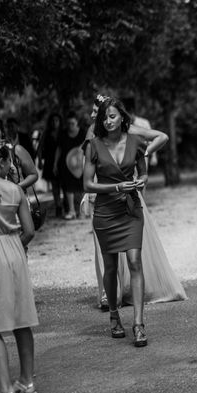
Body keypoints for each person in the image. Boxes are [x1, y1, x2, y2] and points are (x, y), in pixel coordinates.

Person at [85, 94, 186, 311]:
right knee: (106, 254)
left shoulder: (131, 134)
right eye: (98, 114)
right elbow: (89, 167)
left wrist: (142, 154)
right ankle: (110, 296)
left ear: (121, 116)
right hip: (101, 195)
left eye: (98, 111)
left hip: (127, 197)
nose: (95, 116)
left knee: (133, 256)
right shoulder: (94, 135)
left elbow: (162, 137)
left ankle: (133, 312)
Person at [83, 97, 149, 347]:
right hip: (106, 213)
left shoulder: (136, 142)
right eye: (104, 117)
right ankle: (113, 315)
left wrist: (141, 180)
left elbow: (142, 171)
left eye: (112, 116)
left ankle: (139, 324)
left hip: (131, 209)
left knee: (134, 261)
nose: (108, 121)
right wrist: (116, 186)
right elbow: (88, 184)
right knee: (110, 267)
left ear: (122, 117)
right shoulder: (93, 145)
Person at [0, 141, 38, 393]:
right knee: (21, 318)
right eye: (8, 161)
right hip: (15, 249)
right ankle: (26, 381)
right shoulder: (15, 190)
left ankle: (4, 390)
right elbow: (30, 230)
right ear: (1, 163)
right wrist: (15, 245)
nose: (10, 165)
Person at [54, 112, 86, 220]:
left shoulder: (83, 133)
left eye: (72, 123)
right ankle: (72, 211)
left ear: (77, 122)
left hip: (81, 164)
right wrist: (55, 164)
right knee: (68, 188)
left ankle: (82, 212)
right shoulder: (63, 133)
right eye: (68, 123)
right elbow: (58, 149)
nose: (70, 125)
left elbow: (89, 146)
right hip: (65, 164)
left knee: (82, 188)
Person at [0, 118, 38, 192]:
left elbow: (33, 175)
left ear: (2, 133)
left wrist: (16, 187)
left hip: (16, 200)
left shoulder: (16, 150)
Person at [37, 113, 63, 217]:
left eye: (57, 120)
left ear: (60, 121)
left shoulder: (63, 132)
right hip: (49, 161)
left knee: (63, 184)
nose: (54, 123)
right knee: (54, 185)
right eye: (53, 120)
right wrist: (39, 160)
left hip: (63, 161)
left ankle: (66, 205)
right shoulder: (46, 133)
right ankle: (58, 207)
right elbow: (40, 147)